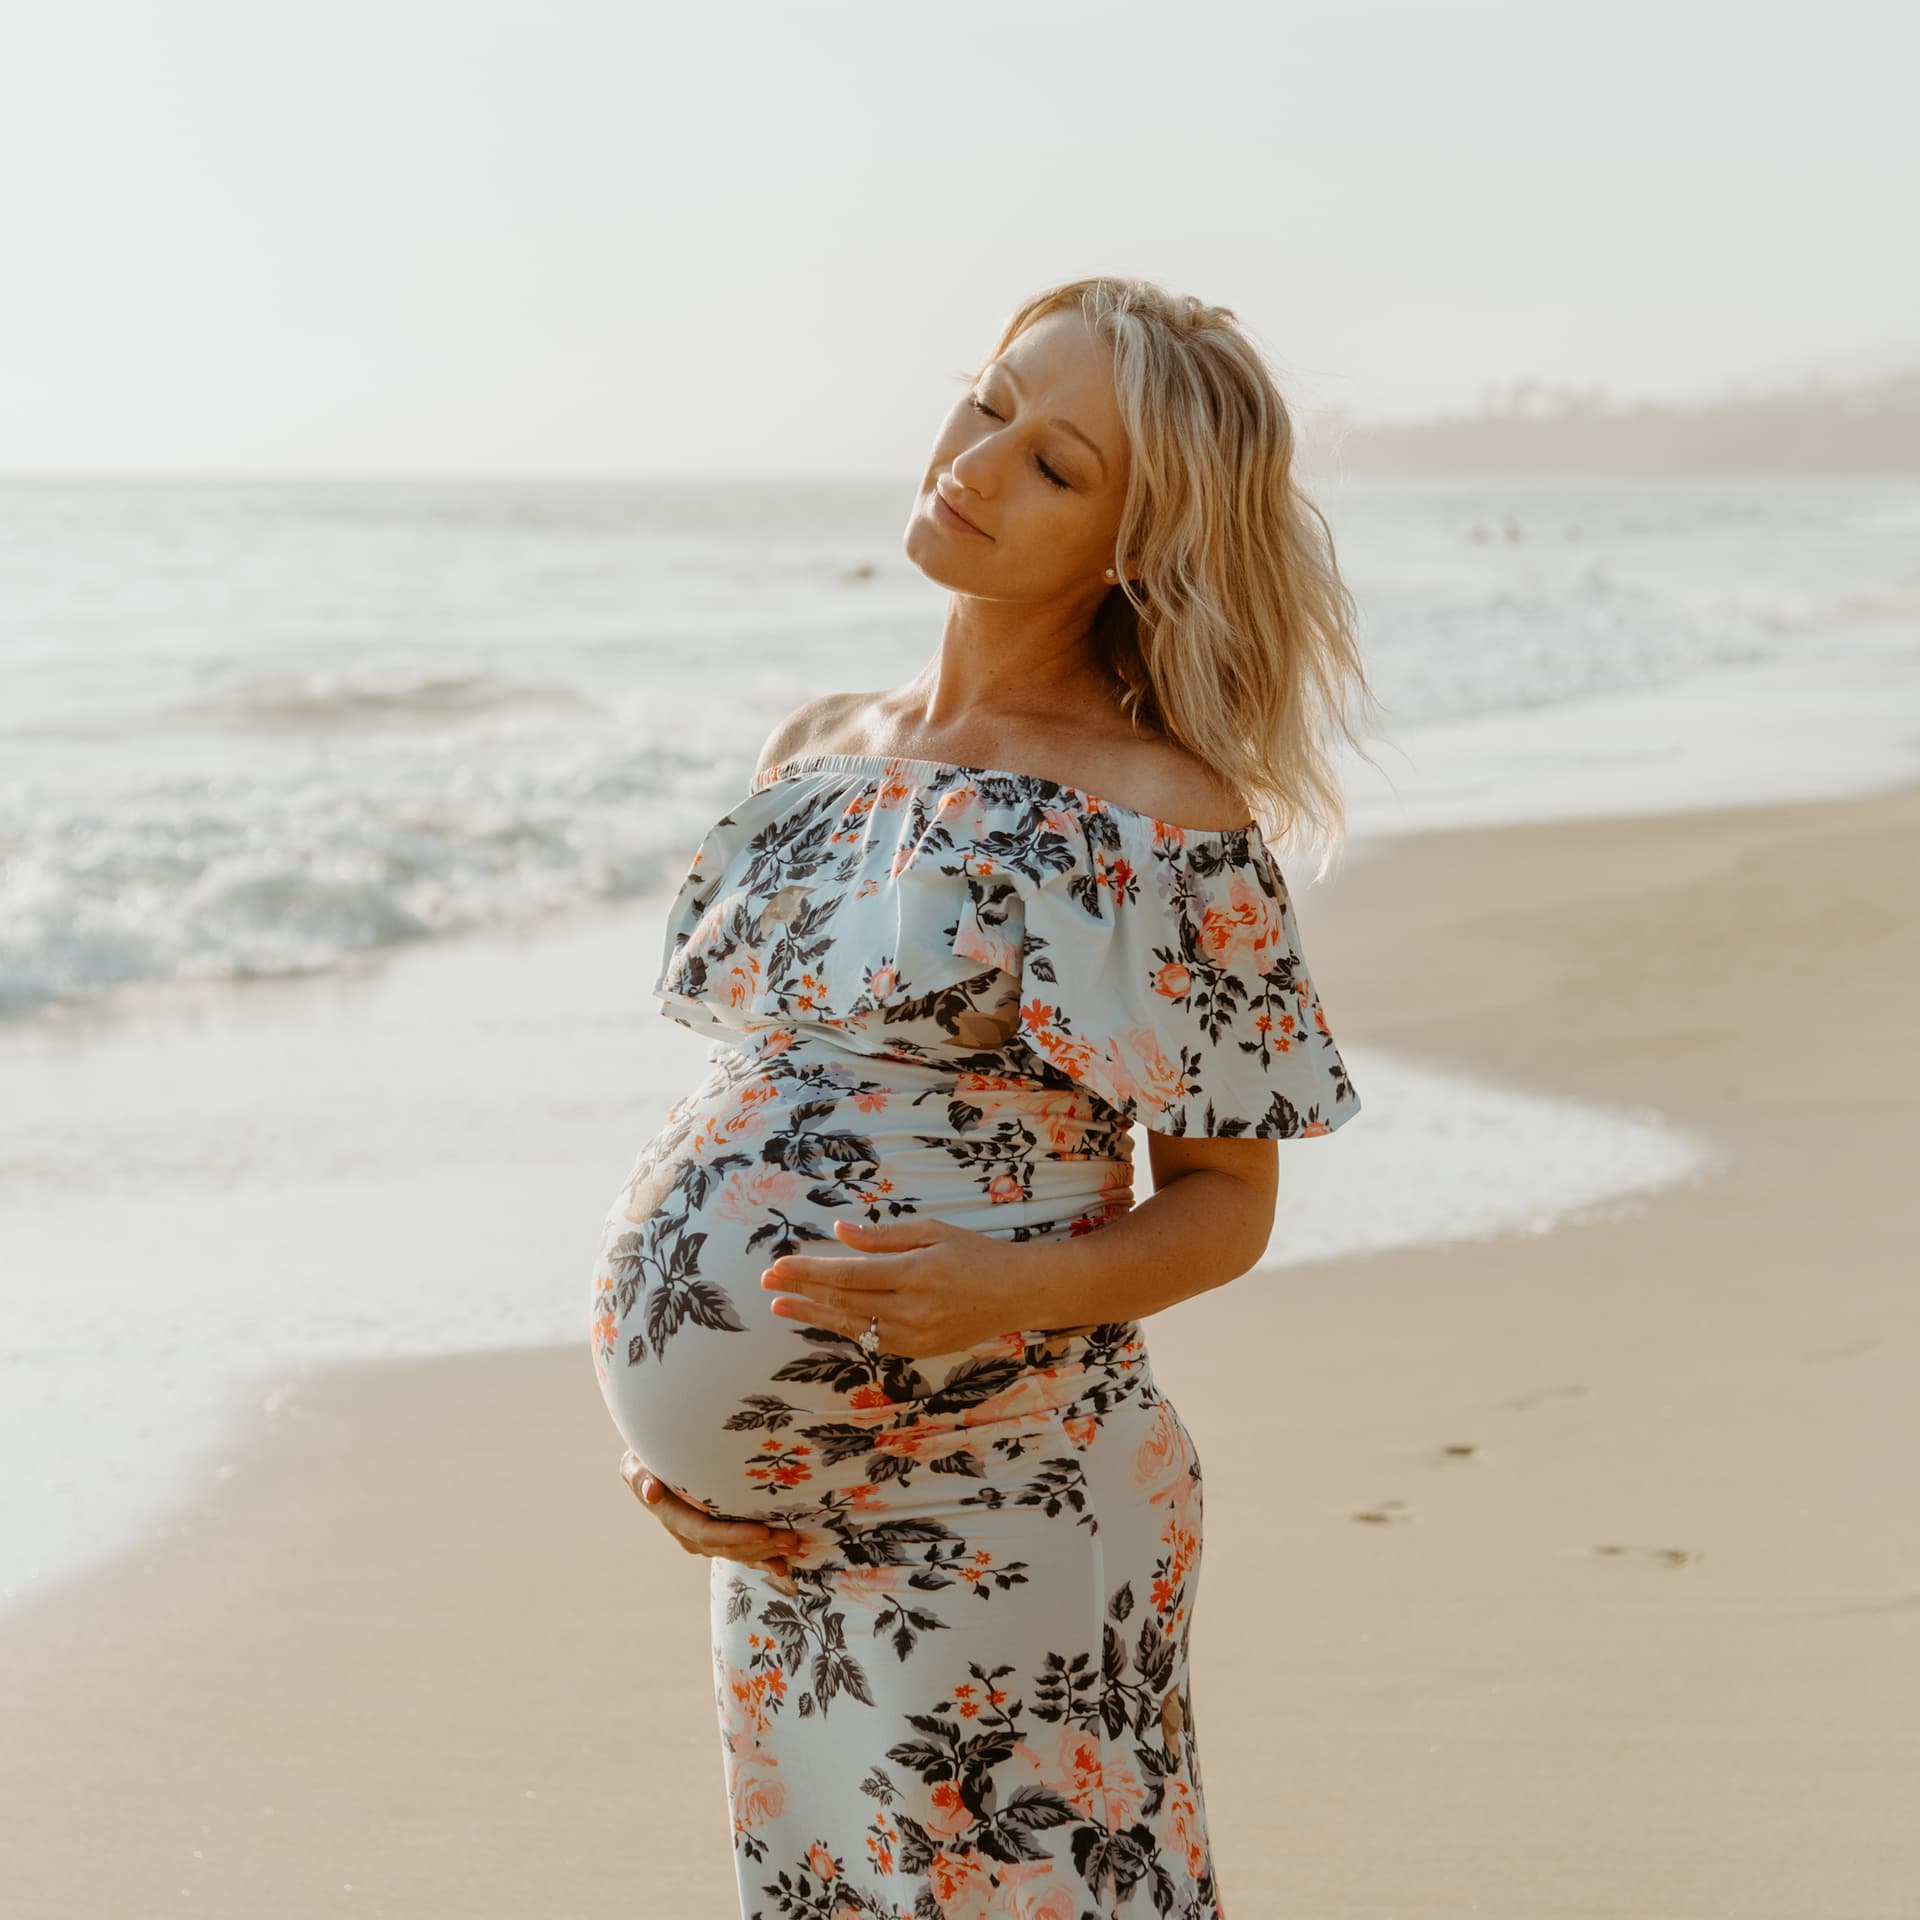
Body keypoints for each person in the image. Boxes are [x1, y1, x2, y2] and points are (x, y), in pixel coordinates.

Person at [589, 274, 1379, 1919]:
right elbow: (773, 1098)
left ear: (1134, 551)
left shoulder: (1156, 813)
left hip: (1009, 1490)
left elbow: (1226, 1201)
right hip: (789, 1545)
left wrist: (1004, 1292)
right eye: (989, 401)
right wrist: (693, 1441)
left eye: (1057, 464)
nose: (978, 457)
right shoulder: (816, 748)